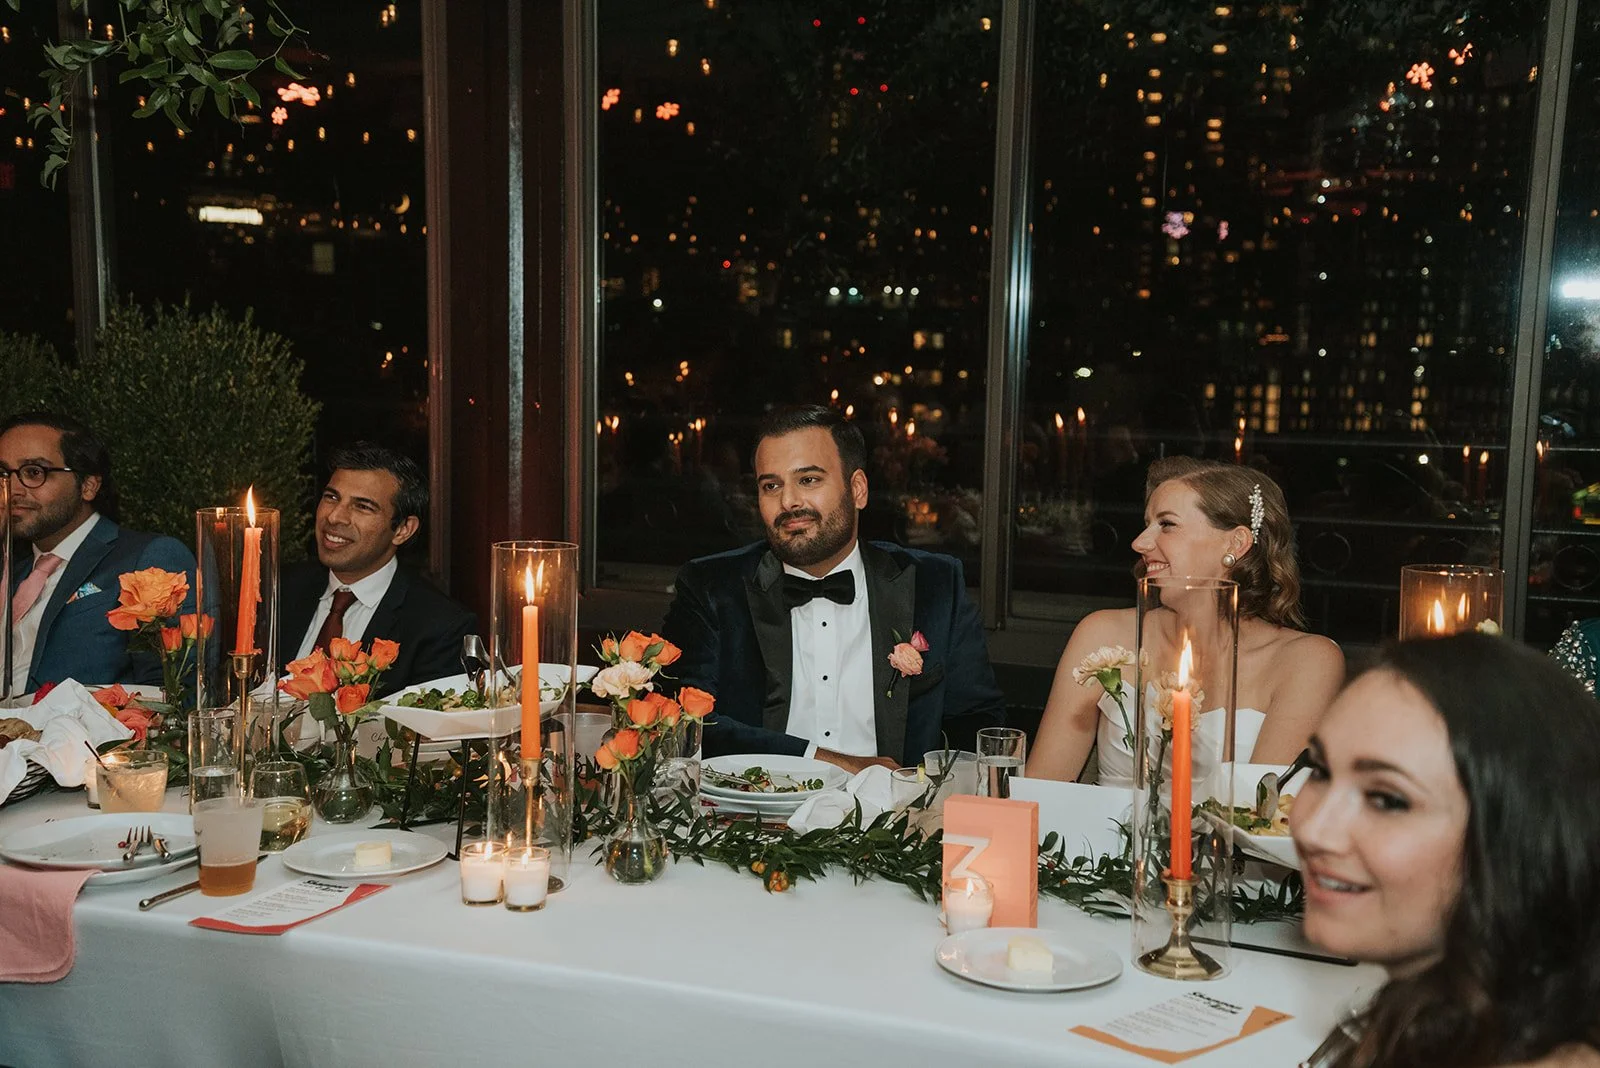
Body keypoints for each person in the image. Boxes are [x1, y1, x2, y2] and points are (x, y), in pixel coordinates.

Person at [1292, 635, 1600, 1068]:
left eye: (1387, 799)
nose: (1313, 829)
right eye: (1320, 771)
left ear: (1516, 836)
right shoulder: (1438, 1019)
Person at [663, 405, 1006, 772]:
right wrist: (830, 763)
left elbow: (978, 726)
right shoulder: (712, 588)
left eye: (808, 480)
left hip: (896, 817)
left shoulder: (935, 586)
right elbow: (680, 719)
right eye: (771, 485)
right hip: (753, 817)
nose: (789, 501)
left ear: (857, 489)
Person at [1027, 456, 1343, 783]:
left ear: (1235, 542)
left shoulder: (1306, 661)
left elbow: (1259, 815)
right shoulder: (1103, 636)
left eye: (1166, 524)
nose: (1139, 543)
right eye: (1147, 524)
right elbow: (1039, 790)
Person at [1, 412, 197, 694]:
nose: (13, 489)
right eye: (3, 474)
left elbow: (177, 694)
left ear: (89, 485)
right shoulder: (12, 573)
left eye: (34, 472)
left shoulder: (149, 558)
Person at [278, 443, 474, 697]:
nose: (335, 517)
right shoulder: (280, 590)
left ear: (403, 529)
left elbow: (430, 731)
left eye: (362, 506)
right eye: (331, 497)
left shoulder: (440, 627)